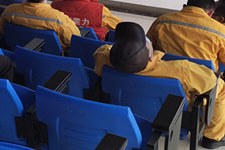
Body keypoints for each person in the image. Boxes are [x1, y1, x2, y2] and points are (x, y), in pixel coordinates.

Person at [94, 22, 225, 149]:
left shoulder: (103, 59)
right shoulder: (182, 70)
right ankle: (213, 137)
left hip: (124, 113)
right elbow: (214, 83)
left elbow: (103, 49)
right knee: (222, 89)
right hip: (173, 117)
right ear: (150, 56)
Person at [147, 0, 225, 72]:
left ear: (185, 6)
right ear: (211, 13)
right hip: (202, 77)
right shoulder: (221, 30)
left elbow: (148, 44)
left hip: (162, 71)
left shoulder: (162, 20)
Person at [0, 0, 80, 50]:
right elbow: (74, 40)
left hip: (17, 52)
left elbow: (3, 30)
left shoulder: (10, 11)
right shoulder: (58, 18)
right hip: (51, 58)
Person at [50, 0, 122, 41]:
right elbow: (119, 26)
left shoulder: (56, 5)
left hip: (63, 45)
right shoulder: (100, 9)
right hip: (92, 47)